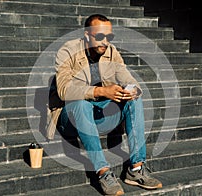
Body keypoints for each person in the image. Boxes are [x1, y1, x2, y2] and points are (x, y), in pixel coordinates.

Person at [50, 14, 162, 195]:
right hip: (70, 118)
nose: (105, 41)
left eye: (109, 36)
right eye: (100, 36)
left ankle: (136, 169)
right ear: (87, 35)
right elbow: (64, 90)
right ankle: (103, 172)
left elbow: (127, 77)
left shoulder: (111, 51)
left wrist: (133, 89)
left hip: (99, 115)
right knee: (81, 103)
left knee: (134, 100)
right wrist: (101, 91)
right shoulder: (68, 50)